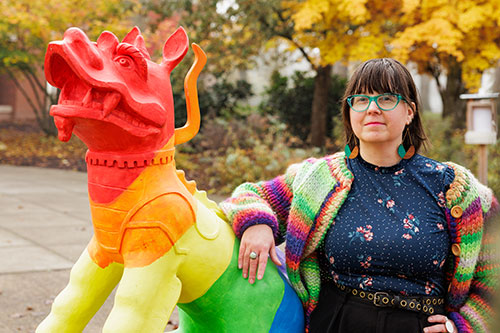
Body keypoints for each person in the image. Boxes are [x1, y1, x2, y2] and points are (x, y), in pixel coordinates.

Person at [220, 58, 499, 333]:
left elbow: (494, 277)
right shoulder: (319, 178)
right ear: (349, 111)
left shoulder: (453, 188)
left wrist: (463, 326)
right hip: (336, 322)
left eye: (387, 99)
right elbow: (248, 195)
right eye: (361, 99)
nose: (372, 109)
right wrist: (257, 223)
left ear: (410, 112)